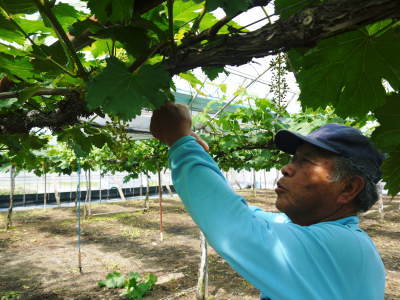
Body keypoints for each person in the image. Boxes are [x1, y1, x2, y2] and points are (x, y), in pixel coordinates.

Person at [150, 102, 386, 300]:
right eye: (294, 159)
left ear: (348, 188)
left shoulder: (343, 248)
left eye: (306, 161)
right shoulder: (307, 229)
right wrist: (197, 154)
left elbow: (236, 228)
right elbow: (241, 213)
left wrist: (180, 142)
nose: (286, 168)